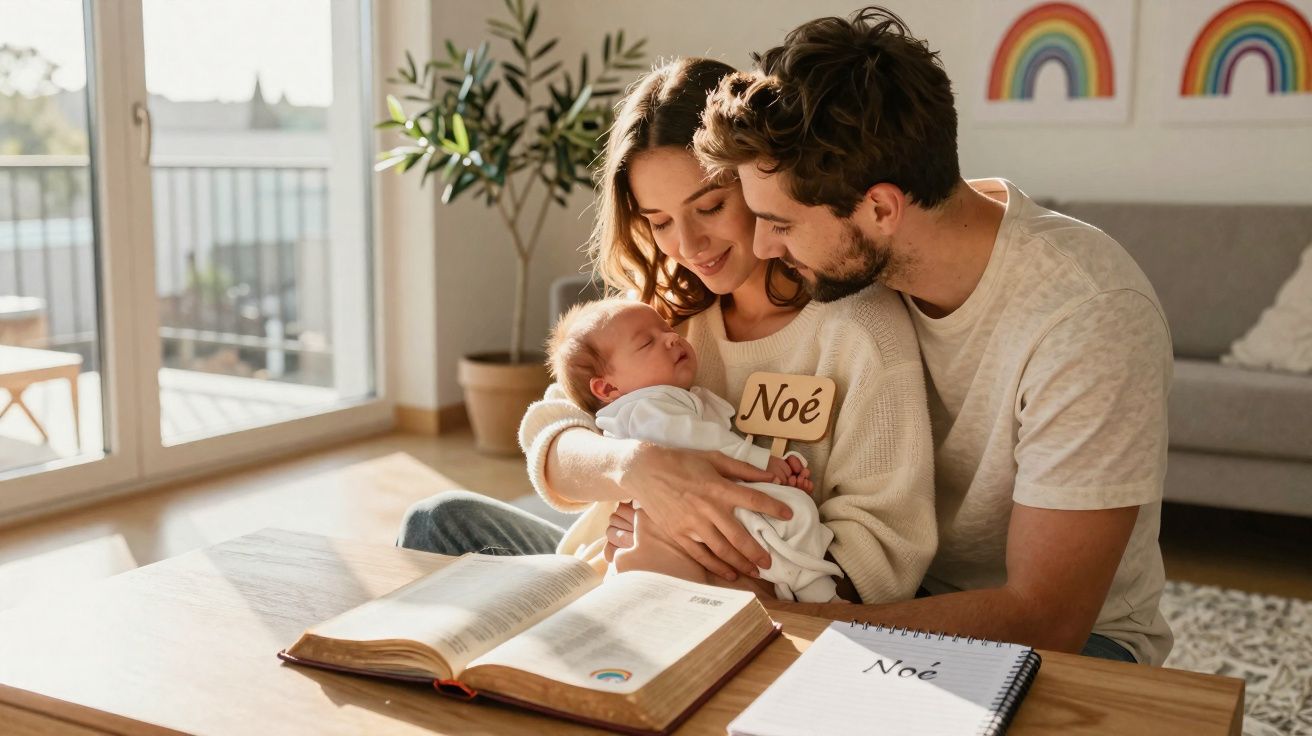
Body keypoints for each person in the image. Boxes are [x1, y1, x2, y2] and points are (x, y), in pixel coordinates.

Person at [658, 6, 1173, 665]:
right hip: (891, 594)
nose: (762, 246)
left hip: (1074, 646)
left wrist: (783, 622)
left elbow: (1048, 617)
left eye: (780, 224)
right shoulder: (857, 265)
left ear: (880, 207)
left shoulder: (1087, 316)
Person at [398, 56, 937, 608]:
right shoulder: (663, 312)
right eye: (659, 222)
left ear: (761, 181)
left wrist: (706, 573)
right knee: (437, 520)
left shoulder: (859, 330)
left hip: (737, 609)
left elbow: (881, 561)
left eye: (710, 206)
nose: (688, 246)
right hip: (595, 580)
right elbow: (552, 429)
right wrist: (635, 468)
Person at [545, 296, 841, 603]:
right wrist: (763, 463)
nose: (672, 338)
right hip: (674, 525)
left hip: (690, 524)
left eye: (667, 329)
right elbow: (704, 440)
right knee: (793, 512)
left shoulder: (660, 397)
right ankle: (814, 591)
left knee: (785, 516)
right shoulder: (646, 409)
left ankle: (802, 587)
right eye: (647, 343)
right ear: (607, 388)